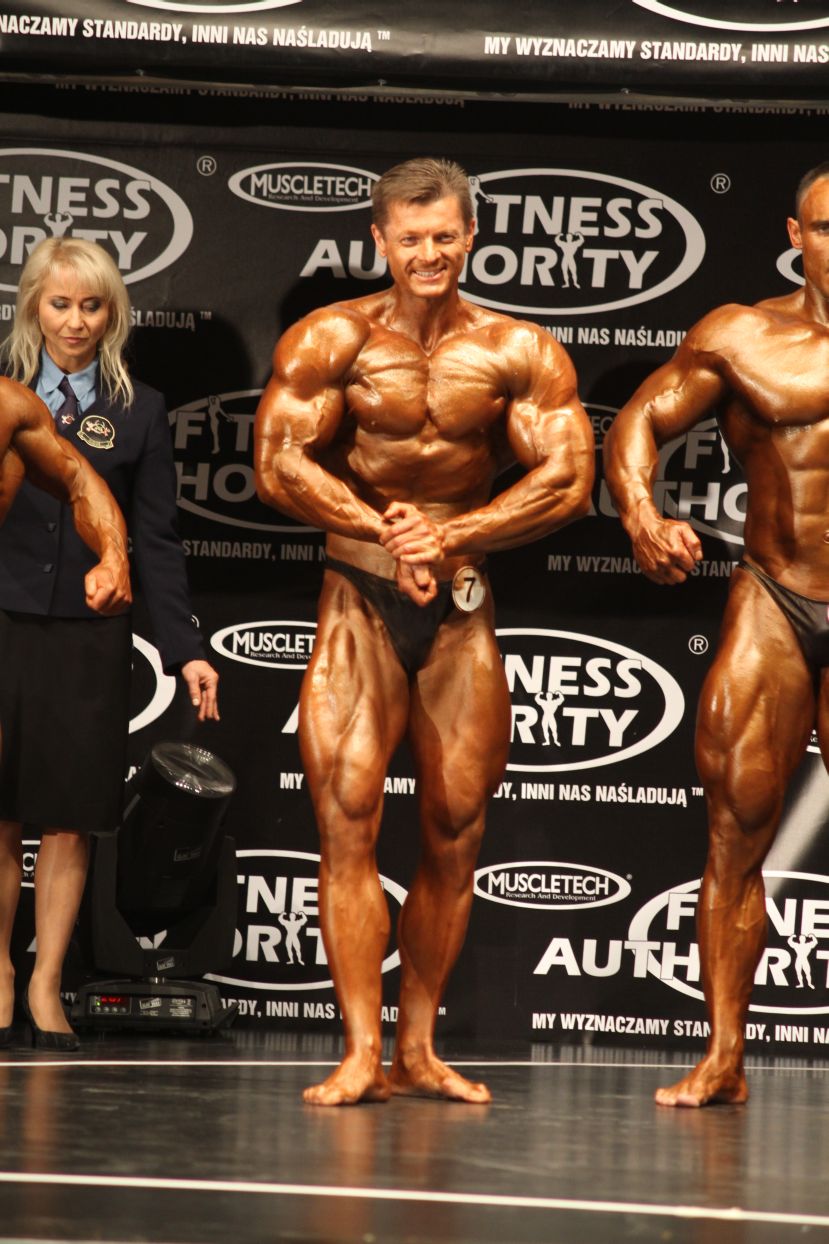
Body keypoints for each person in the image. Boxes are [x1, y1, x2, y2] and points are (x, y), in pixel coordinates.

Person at [255, 157, 594, 1106]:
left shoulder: (517, 349)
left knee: (453, 831)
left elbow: (569, 478)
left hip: (460, 609)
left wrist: (449, 533)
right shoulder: (333, 338)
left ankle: (417, 1048)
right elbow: (278, 463)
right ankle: (360, 1051)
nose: (429, 253)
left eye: (445, 236)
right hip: (358, 601)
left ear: (471, 237)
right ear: (379, 240)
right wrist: (384, 529)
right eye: (411, 239)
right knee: (347, 822)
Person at [603, 161, 829, 1107]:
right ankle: (723, 1056)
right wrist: (640, 516)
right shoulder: (738, 335)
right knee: (734, 831)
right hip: (774, 594)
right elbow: (637, 422)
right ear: (795, 234)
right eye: (828, 227)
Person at [0, 237, 220, 1051]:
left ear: (113, 312)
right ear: (33, 305)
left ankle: (47, 981)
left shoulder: (140, 408)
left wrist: (185, 647)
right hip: (2, 620)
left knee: (69, 819)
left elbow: (155, 541)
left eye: (92, 305)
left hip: (92, 635)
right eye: (60, 303)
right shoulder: (2, 394)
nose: (75, 321)